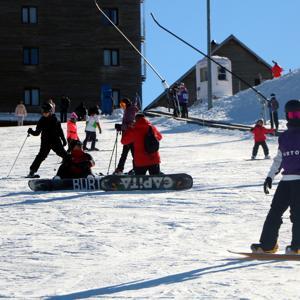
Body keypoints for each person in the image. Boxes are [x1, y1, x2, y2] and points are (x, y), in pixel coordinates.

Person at [251, 100, 300, 255]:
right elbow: (279, 159)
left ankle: (297, 246)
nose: (295, 117)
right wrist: (270, 177)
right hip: (286, 181)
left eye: (298, 114)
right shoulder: (284, 137)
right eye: (292, 114)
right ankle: (267, 245)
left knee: (297, 214)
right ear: (287, 116)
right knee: (274, 212)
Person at [27, 102, 68, 178]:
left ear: (50, 111)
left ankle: (71, 170)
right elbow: (37, 133)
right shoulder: (41, 121)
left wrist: (63, 139)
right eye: (43, 112)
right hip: (45, 142)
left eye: (46, 112)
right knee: (40, 156)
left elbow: (60, 130)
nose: (44, 114)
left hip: (55, 141)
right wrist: (31, 131)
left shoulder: (55, 119)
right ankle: (32, 172)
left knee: (65, 156)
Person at [114, 97, 139, 174]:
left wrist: (121, 127)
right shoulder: (128, 110)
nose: (122, 106)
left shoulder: (130, 110)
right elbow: (127, 124)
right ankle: (135, 168)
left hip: (131, 136)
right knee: (129, 154)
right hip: (128, 136)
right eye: (121, 105)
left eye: (123, 104)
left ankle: (135, 169)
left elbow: (131, 124)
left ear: (127, 104)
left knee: (130, 154)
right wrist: (121, 127)